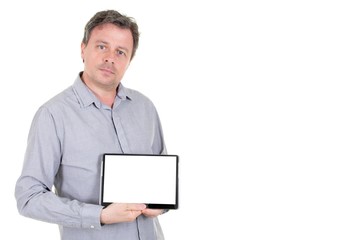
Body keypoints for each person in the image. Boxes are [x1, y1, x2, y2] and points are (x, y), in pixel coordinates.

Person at [15, 10, 168, 240]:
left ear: (129, 60)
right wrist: (100, 215)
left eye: (120, 52)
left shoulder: (145, 108)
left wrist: (162, 204)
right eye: (101, 46)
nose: (110, 58)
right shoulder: (53, 115)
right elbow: (29, 197)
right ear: (83, 49)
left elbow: (162, 181)